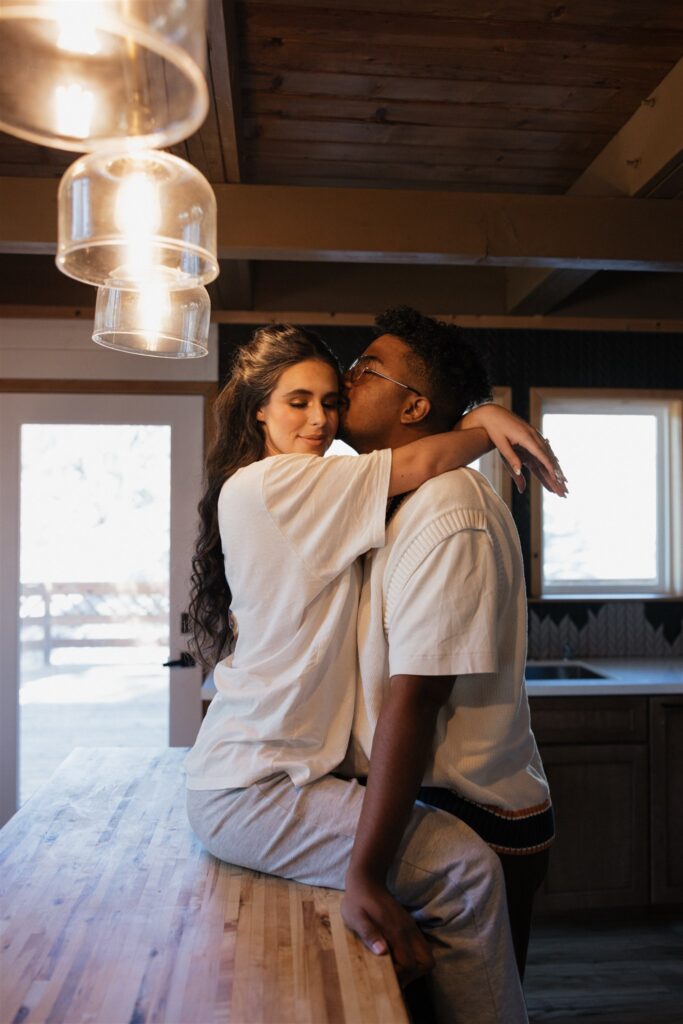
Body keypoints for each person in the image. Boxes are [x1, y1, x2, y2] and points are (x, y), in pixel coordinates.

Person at [184, 322, 565, 1024]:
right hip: (258, 778)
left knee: (459, 878)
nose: (323, 415)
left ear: (414, 404)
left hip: (285, 772)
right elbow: (423, 462)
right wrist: (486, 417)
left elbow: (423, 469)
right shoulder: (276, 484)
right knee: (465, 872)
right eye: (298, 400)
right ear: (257, 410)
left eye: (333, 396)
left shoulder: (350, 494)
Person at [337, 307, 557, 988]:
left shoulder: (449, 512)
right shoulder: (399, 495)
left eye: (364, 368)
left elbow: (418, 695)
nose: (346, 378)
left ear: (415, 404)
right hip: (423, 806)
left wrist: (364, 870)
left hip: (469, 819)